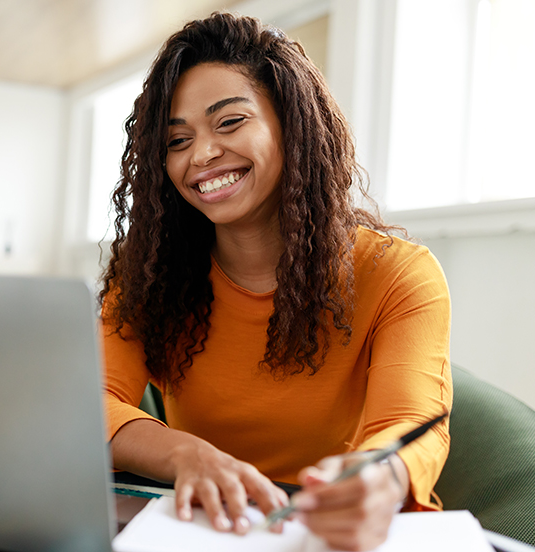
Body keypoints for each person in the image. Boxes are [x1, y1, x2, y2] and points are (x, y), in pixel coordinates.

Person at [99, 12, 451, 552]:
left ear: (292, 123)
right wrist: (186, 454)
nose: (202, 155)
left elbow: (410, 424)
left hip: (328, 535)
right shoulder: (148, 273)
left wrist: (380, 479)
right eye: (176, 140)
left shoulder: (399, 273)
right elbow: (92, 400)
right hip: (198, 530)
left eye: (230, 122)